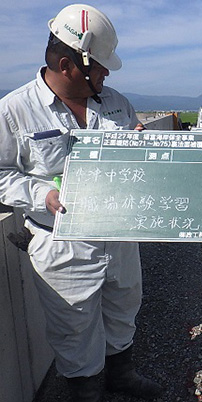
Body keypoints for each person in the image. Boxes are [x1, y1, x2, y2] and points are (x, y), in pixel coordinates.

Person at [0, 5, 161, 401]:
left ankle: (120, 374)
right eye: (101, 68)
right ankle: (86, 391)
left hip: (118, 233)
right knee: (73, 325)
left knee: (124, 306)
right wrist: (42, 195)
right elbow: (2, 173)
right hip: (61, 240)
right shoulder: (14, 110)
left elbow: (136, 161)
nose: (106, 75)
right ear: (68, 63)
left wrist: (142, 144)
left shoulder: (116, 102)